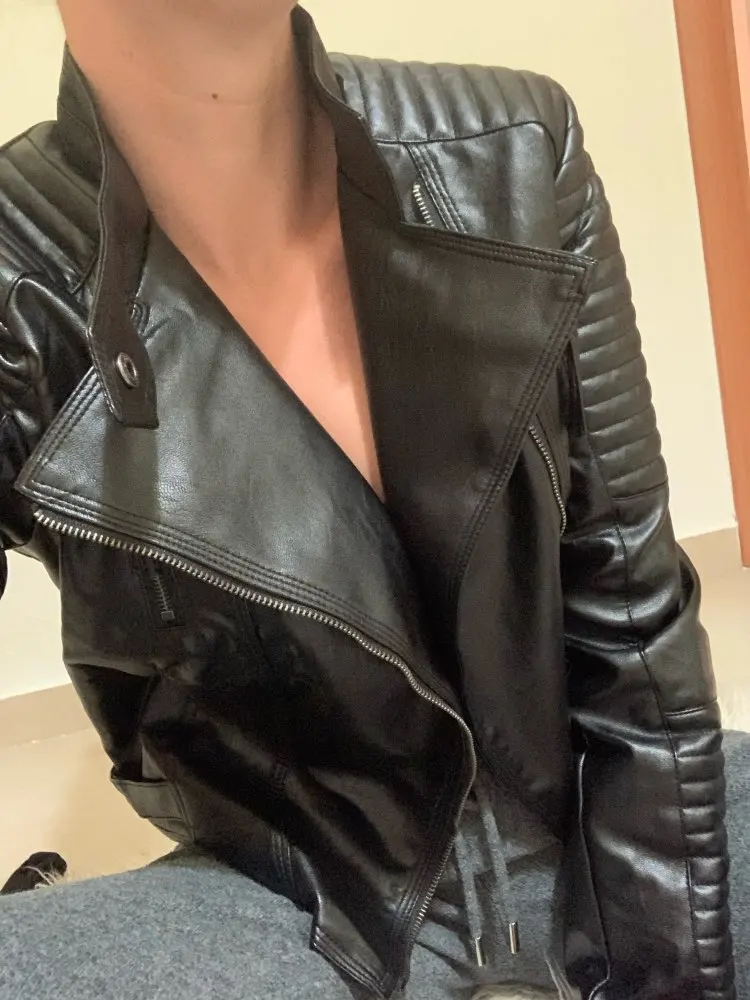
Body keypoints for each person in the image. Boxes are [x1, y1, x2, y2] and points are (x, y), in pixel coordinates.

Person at [0, 2, 745, 998]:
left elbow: (637, 635)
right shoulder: (18, 265)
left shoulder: (516, 147)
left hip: (587, 819)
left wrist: (669, 981)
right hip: (303, 904)